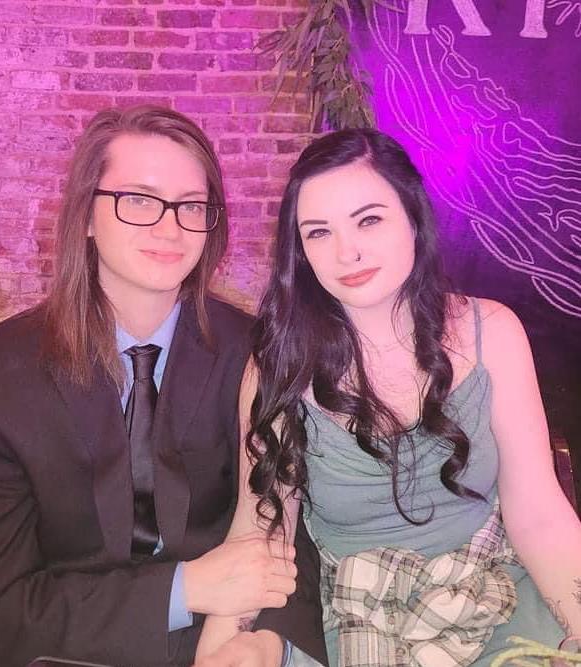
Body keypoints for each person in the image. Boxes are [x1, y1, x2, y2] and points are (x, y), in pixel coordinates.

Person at [0, 105, 326, 667]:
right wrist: (185, 588)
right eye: (139, 200)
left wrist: (265, 640)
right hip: (64, 650)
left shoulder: (257, 354)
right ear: (86, 215)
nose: (170, 228)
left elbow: (296, 528)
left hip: (221, 638)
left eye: (191, 205)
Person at [203, 128, 581, 666]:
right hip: (364, 615)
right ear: (301, 252)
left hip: (496, 595)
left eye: (369, 220)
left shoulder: (492, 331)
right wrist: (216, 651)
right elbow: (262, 532)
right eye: (319, 232)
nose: (347, 251)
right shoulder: (278, 365)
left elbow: (540, 515)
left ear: (413, 217)